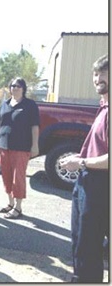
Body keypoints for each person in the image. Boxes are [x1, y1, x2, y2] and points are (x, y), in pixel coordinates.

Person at [60, 54, 109, 283]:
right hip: (87, 182)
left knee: (88, 244)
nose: (97, 78)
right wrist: (80, 156)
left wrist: (80, 163)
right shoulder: (103, 107)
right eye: (95, 73)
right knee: (80, 239)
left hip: (100, 185)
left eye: (103, 73)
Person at [0, 77, 40, 219]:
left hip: (21, 148)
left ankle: (18, 208)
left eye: (18, 86)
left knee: (17, 178)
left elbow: (35, 126)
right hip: (3, 146)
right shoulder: (5, 104)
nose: (15, 88)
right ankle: (10, 203)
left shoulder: (30, 105)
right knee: (6, 176)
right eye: (12, 86)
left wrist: (35, 145)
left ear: (23, 89)